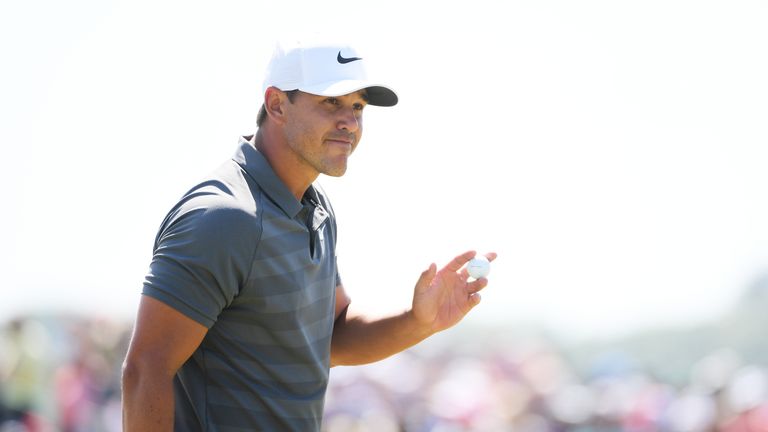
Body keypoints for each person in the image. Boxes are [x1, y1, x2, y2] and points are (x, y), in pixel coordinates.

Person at [121, 38, 497, 431]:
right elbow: (145, 370)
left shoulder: (316, 209)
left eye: (357, 107)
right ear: (277, 104)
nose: (350, 122)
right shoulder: (223, 218)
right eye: (331, 102)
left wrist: (418, 320)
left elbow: (331, 338)